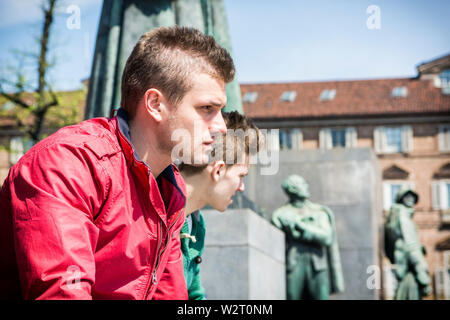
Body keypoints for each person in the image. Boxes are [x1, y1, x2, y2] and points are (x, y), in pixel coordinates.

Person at [0, 26, 235, 300]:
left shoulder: (171, 190)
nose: (220, 126)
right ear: (156, 104)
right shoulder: (68, 163)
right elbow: (61, 294)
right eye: (207, 109)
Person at [177, 111, 261, 300]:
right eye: (241, 176)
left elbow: (195, 294)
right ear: (218, 170)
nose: (242, 188)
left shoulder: (196, 223)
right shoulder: (155, 215)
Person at [271, 175, 345, 300]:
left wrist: (301, 227)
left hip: (318, 267)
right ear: (293, 189)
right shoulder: (280, 214)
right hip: (293, 265)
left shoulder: (319, 212)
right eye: (303, 184)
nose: (307, 187)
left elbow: (327, 237)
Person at [384, 187, 431, 300]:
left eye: (413, 197)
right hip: (410, 268)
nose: (411, 199)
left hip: (407, 265)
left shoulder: (398, 214)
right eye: (407, 196)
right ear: (401, 198)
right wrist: (423, 275)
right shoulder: (402, 213)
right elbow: (410, 244)